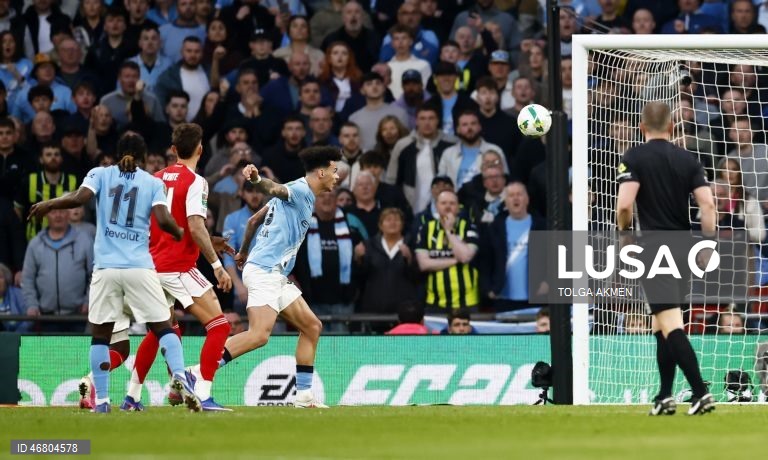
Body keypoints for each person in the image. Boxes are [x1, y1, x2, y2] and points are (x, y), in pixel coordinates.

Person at [28, 132, 201, 413]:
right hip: (140, 268)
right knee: (163, 327)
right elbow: (162, 219)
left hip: (106, 269)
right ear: (144, 157)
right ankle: (180, 378)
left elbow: (79, 198)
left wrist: (49, 204)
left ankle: (103, 401)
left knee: (101, 336)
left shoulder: (100, 174)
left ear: (115, 153)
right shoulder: (151, 181)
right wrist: (180, 232)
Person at [213, 146, 342, 409]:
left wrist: (243, 252)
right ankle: (198, 371)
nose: (337, 177)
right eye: (334, 171)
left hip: (271, 271)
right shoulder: (300, 190)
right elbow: (273, 188)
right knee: (259, 335)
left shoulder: (302, 196)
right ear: (321, 172)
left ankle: (304, 396)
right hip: (265, 270)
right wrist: (257, 180)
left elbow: (252, 222)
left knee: (311, 327)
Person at [122, 123, 234, 412]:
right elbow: (195, 226)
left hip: (150, 266)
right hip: (179, 267)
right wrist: (217, 266)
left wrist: (212, 242)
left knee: (162, 329)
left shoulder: (154, 179)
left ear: (173, 150)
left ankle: (132, 397)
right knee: (219, 326)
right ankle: (204, 394)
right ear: (200, 148)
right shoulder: (196, 182)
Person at [616, 101, 716, 416]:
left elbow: (623, 206)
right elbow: (708, 205)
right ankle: (664, 395)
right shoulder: (688, 159)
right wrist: (708, 244)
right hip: (683, 247)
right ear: (671, 127)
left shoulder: (633, 157)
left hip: (654, 248)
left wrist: (625, 234)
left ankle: (700, 393)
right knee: (661, 323)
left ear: (642, 127)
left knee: (670, 324)